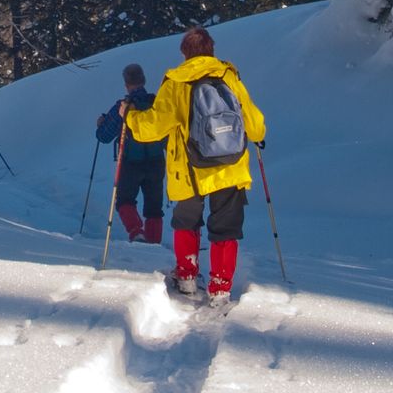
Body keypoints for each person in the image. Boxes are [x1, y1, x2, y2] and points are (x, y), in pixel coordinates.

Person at [121, 25, 266, 306]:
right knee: (226, 228)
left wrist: (129, 116)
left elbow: (153, 127)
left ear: (184, 54)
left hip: (189, 169)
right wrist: (257, 137)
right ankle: (221, 286)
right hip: (230, 167)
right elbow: (255, 124)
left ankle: (187, 277)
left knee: (186, 222)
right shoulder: (228, 76)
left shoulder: (176, 82)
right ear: (211, 49)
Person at [94, 63, 164, 244]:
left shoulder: (123, 107)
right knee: (154, 207)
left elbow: (104, 136)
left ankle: (136, 231)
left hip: (130, 162)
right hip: (156, 161)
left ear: (126, 84)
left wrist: (101, 124)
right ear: (144, 80)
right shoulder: (155, 103)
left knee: (125, 200)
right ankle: (154, 242)